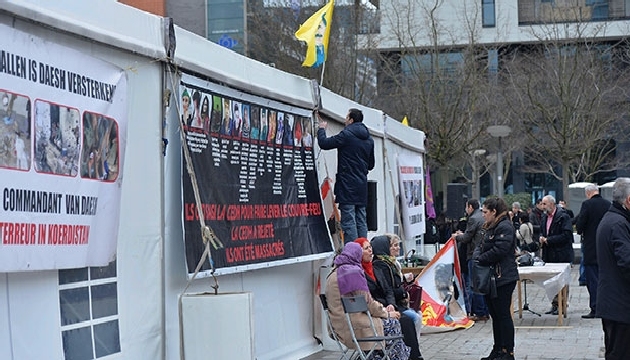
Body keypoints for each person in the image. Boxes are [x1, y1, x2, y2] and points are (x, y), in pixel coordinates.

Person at [325, 242, 411, 360]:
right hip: (355, 327)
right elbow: (368, 303)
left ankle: (375, 356)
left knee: (387, 326)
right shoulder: (352, 272)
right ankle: (398, 358)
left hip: (338, 326)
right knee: (393, 324)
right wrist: (386, 313)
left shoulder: (333, 273)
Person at [355, 237, 423, 360]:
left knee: (408, 319)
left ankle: (413, 355)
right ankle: (411, 356)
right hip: (375, 311)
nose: (370, 250)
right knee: (407, 320)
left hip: (386, 307)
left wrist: (391, 304)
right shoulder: (360, 272)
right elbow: (369, 297)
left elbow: (388, 290)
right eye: (366, 248)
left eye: (370, 247)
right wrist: (386, 308)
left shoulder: (376, 269)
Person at [317, 108, 375, 243]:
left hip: (347, 185)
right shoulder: (369, 139)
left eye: (346, 117)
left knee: (349, 221)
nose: (344, 120)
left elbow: (324, 144)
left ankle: (353, 254)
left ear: (351, 120)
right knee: (361, 220)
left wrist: (321, 129)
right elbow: (371, 165)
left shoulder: (346, 135)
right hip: (361, 186)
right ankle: (363, 251)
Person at [473, 197, 518, 360]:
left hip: (503, 277)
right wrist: (478, 256)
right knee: (495, 315)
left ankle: (508, 351)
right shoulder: (490, 227)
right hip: (491, 278)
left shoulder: (504, 226)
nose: (483, 215)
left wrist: (482, 258)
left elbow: (501, 249)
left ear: (494, 212)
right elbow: (479, 246)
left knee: (503, 314)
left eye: (485, 212)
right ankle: (498, 348)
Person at [596, 177, 630, 360]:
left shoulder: (614, 219)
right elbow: (627, 262)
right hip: (620, 306)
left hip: (615, 304)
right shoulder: (618, 223)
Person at [575, 183, 611, 319]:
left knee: (592, 279)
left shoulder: (587, 205)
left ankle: (595, 308)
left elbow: (580, 225)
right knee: (605, 279)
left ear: (588, 193)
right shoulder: (608, 204)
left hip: (591, 247)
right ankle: (606, 306)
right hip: (605, 248)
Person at [453, 199, 488, 321]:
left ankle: (479, 312)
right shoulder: (482, 216)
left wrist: (457, 236)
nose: (465, 210)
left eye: (466, 207)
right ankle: (485, 310)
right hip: (483, 254)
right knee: (482, 283)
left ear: (471, 207)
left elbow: (467, 237)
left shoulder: (473, 218)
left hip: (474, 254)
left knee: (474, 285)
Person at [540, 194, 574, 315]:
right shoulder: (544, 218)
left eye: (545, 204)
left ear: (552, 204)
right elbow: (542, 232)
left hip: (562, 254)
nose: (542, 206)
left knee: (562, 281)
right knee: (552, 281)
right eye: (542, 204)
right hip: (549, 254)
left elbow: (567, 236)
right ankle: (554, 304)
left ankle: (563, 304)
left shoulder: (563, 217)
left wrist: (549, 240)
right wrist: (541, 238)